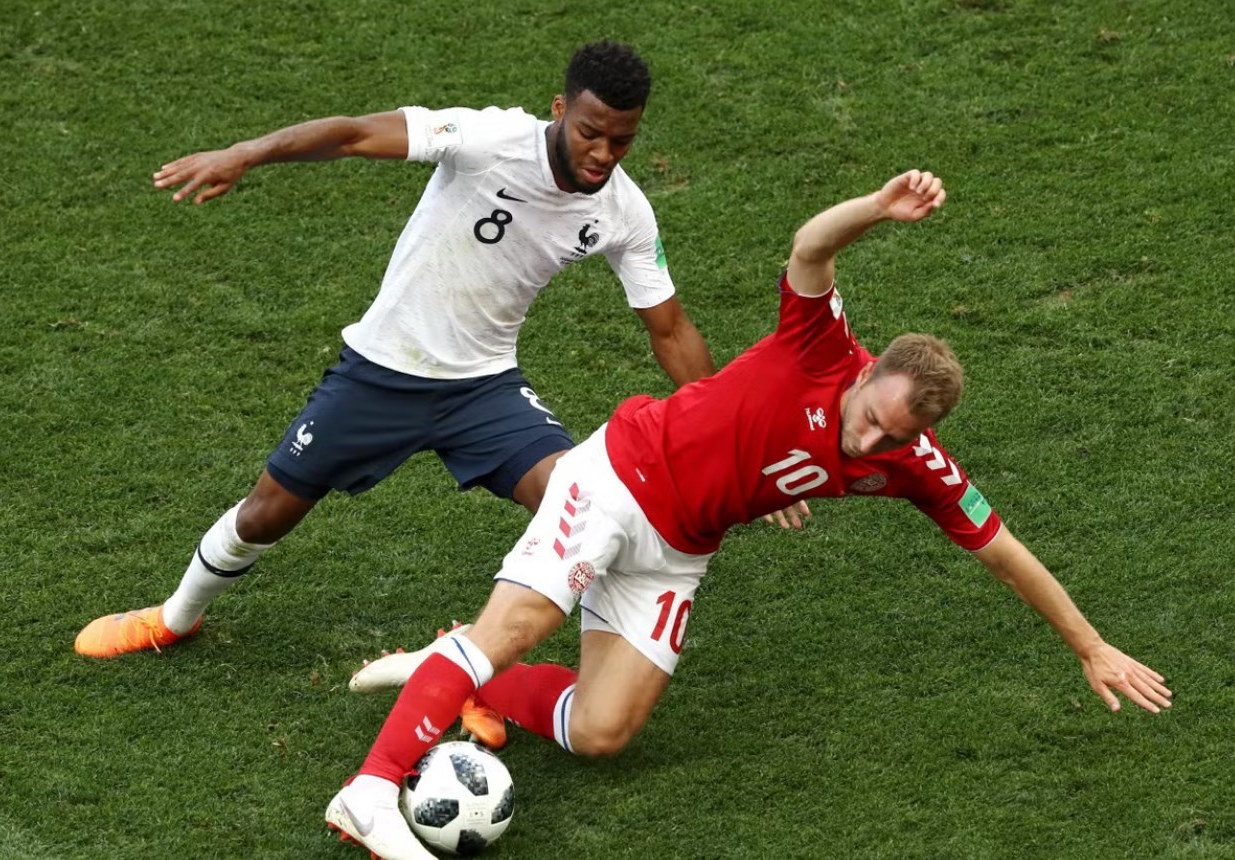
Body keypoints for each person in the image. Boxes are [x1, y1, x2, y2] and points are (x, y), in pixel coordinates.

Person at [322, 170, 1172, 860]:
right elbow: (810, 248)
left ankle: (451, 666)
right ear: (866, 372)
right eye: (872, 417)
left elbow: (1002, 549)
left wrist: (1089, 645)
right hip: (622, 476)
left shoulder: (913, 462)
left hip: (678, 548)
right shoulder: (821, 345)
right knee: (517, 627)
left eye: (894, 437)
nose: (870, 440)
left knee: (602, 730)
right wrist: (877, 209)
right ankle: (369, 792)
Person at [73, 41, 716, 660]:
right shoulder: (488, 139)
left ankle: (484, 664)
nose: (603, 154)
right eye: (590, 133)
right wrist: (245, 154)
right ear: (559, 108)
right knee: (263, 517)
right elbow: (353, 135)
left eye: (622, 140)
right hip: (380, 374)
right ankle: (175, 617)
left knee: (580, 511)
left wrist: (724, 433)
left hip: (484, 388)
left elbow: (669, 330)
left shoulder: (623, 211)